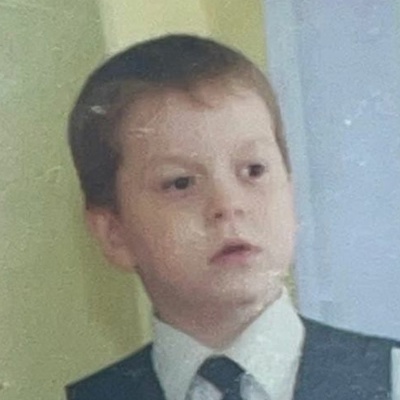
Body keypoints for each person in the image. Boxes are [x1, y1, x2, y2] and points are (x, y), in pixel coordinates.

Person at [65, 34, 399, 400]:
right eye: (180, 183)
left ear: (291, 194)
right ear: (114, 233)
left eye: (254, 170)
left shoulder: (390, 376)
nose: (228, 205)